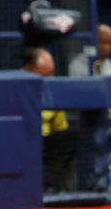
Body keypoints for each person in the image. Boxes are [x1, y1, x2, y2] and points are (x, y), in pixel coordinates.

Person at [22, 47, 75, 191]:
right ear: (28, 70)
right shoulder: (15, 87)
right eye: (44, 75)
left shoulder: (51, 92)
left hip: (44, 141)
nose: (49, 80)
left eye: (51, 75)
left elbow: (60, 127)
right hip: (21, 141)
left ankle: (52, 187)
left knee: (69, 138)